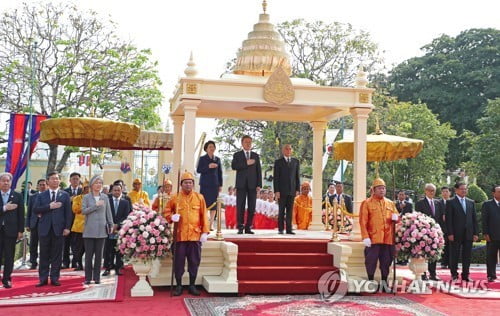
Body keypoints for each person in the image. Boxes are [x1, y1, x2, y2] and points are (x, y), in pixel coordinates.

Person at [165, 171, 209, 296]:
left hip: (195, 236)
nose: (188, 185)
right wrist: (172, 217)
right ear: (181, 184)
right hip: (179, 236)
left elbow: (204, 216)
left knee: (194, 261)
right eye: (186, 183)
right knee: (178, 262)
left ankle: (192, 285)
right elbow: (166, 212)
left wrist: (205, 232)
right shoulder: (175, 198)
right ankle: (179, 286)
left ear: (193, 184)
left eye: (190, 183)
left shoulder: (199, 198)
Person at [33, 171, 72, 287]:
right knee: (44, 254)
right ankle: (43, 278)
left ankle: (55, 278)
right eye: (53, 179)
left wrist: (67, 228)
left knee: (57, 255)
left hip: (59, 229)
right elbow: (35, 209)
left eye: (57, 179)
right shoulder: (41, 195)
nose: (55, 181)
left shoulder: (64, 195)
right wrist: (49, 207)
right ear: (48, 181)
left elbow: (68, 213)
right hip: (44, 229)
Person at [359, 178, 399, 288]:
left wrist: (396, 218)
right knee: (371, 261)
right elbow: (363, 221)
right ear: (374, 190)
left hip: (387, 237)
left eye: (384, 188)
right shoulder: (366, 203)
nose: (382, 190)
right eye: (380, 188)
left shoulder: (390, 203)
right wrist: (365, 236)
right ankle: (371, 280)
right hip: (373, 237)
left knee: (386, 261)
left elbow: (397, 217)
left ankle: (384, 282)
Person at [82, 175, 113, 285]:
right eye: (96, 183)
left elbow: (108, 212)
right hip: (89, 230)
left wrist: (111, 224)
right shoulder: (86, 197)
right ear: (91, 185)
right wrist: (95, 205)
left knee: (99, 256)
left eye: (100, 183)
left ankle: (97, 277)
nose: (98, 185)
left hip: (101, 229)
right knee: (89, 256)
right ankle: (88, 277)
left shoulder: (105, 197)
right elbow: (84, 211)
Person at [446, 182, 478, 282]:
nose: (464, 190)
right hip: (455, 234)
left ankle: (466, 275)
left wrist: (475, 233)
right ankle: (454, 275)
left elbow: (474, 219)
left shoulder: (471, 202)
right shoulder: (450, 202)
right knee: (454, 254)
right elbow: (448, 219)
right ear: (456, 190)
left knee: (467, 255)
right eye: (462, 189)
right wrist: (450, 233)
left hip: (468, 233)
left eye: (465, 189)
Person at [231, 135, 262, 234]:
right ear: (242, 143)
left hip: (253, 185)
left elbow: (259, 171)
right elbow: (234, 166)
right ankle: (240, 227)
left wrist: (259, 184)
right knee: (240, 206)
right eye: (246, 142)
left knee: (252, 207)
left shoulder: (255, 155)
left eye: (250, 142)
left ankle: (248, 227)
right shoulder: (237, 155)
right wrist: (246, 163)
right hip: (241, 184)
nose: (248, 144)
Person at [0, 172, 24, 288]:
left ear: (11, 182)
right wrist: (4, 208)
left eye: (7, 181)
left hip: (11, 231)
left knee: (9, 256)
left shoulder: (17, 196)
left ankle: (7, 279)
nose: (5, 182)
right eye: (3, 180)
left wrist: (20, 231)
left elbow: (21, 215)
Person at [415, 183, 443, 281]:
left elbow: (440, 217)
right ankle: (423, 273)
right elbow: (417, 217)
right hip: (424, 232)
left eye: (433, 191)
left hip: (435, 233)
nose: (431, 192)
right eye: (429, 190)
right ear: (425, 191)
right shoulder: (420, 203)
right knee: (423, 254)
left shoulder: (438, 203)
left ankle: (433, 273)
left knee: (433, 253)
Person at [103, 183, 131, 276]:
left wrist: (118, 225)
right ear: (112, 191)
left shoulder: (125, 202)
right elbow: (105, 213)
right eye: (115, 190)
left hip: (120, 229)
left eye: (118, 190)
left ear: (121, 191)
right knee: (108, 249)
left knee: (119, 249)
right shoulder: (107, 201)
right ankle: (107, 268)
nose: (116, 192)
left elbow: (126, 215)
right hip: (109, 228)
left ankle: (118, 268)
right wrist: (111, 224)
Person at [273, 144, 300, 235]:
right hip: (281, 190)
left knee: (290, 210)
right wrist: (276, 191)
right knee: (281, 210)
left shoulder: (295, 162)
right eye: (286, 149)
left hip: (292, 190)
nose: (288, 150)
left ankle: (289, 229)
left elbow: (297, 177)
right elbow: (276, 177)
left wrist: (297, 189)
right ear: (283, 150)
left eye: (290, 149)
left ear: (291, 150)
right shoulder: (278, 162)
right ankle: (280, 229)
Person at [197, 140, 223, 230]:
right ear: (206, 149)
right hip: (205, 185)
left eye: (213, 147)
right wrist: (208, 166)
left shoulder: (217, 159)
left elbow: (220, 173)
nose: (212, 148)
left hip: (214, 185)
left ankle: (211, 223)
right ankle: (204, 223)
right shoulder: (202, 159)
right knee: (204, 204)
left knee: (214, 205)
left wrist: (220, 185)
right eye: (210, 147)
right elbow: (199, 170)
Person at [25, 178, 47, 270]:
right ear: (37, 186)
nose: (42, 186)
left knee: (44, 244)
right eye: (40, 184)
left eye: (44, 184)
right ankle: (33, 262)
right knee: (33, 244)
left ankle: (44, 263)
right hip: (34, 223)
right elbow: (29, 211)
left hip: (45, 224)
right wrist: (27, 224)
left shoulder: (49, 196)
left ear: (47, 185)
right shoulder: (32, 197)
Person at [70, 180, 90, 271]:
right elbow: (75, 209)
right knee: (78, 247)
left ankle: (88, 264)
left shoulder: (95, 198)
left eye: (89, 189)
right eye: (86, 188)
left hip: (90, 227)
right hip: (78, 227)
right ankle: (79, 263)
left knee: (89, 247)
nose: (87, 190)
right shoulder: (77, 198)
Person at [63, 172, 81, 269]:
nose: (75, 181)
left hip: (78, 222)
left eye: (77, 179)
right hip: (67, 221)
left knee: (76, 244)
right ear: (70, 180)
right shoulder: (64, 192)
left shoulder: (82, 191)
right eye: (73, 179)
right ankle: (65, 262)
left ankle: (76, 262)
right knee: (65, 243)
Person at [482, 184, 500, 282]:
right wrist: (486, 233)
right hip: (492, 236)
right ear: (493, 193)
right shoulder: (487, 204)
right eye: (499, 191)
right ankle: (491, 275)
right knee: (491, 257)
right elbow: (484, 220)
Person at [438, 186, 451, 268]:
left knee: (451, 247)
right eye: (443, 191)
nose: (445, 193)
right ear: (441, 193)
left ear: (450, 193)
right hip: (442, 227)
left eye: (447, 191)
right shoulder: (438, 203)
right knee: (443, 246)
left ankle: (451, 263)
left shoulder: (453, 202)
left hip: (451, 228)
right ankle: (443, 262)